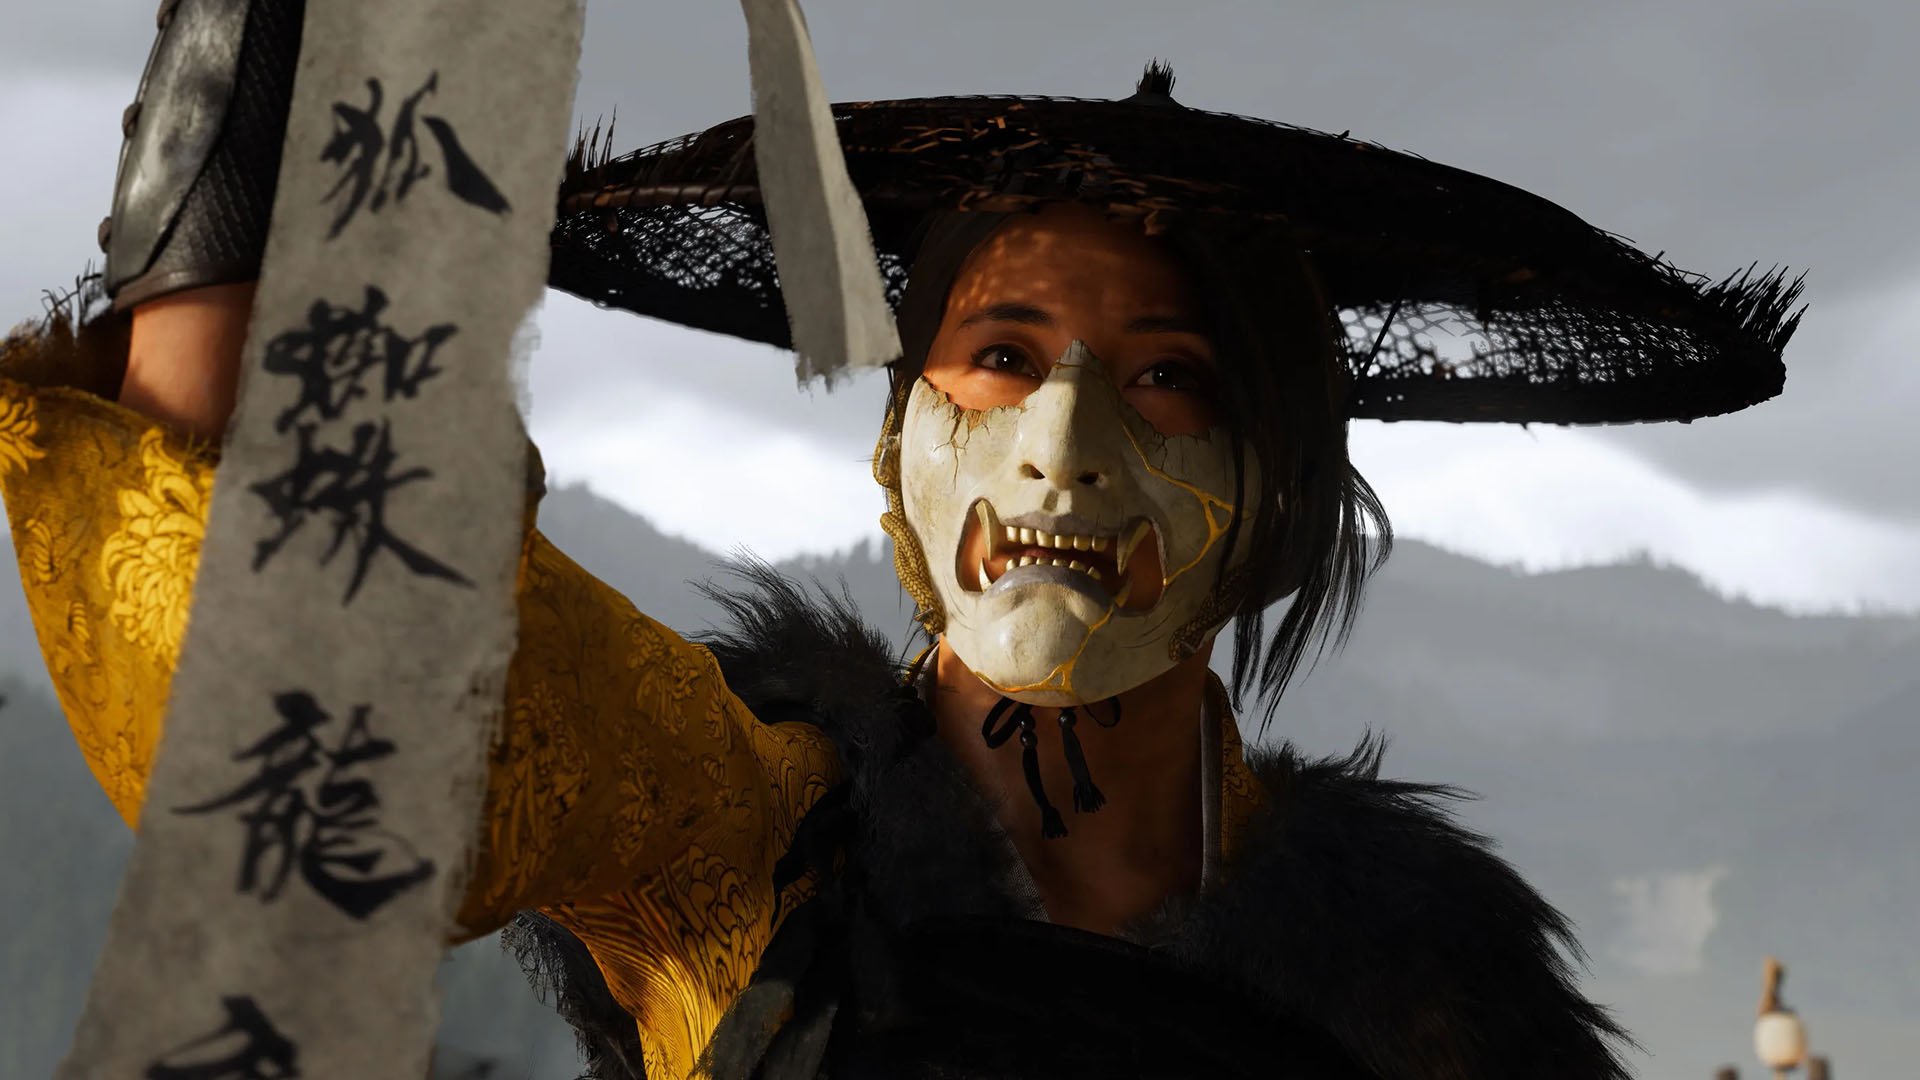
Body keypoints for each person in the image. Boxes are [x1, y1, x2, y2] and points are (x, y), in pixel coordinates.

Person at [0, 3, 1804, 1078]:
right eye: (1001, 356)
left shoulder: (1429, 986)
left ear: (1275, 486)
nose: (1063, 447)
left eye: (1167, 380)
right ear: (901, 439)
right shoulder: (731, 836)